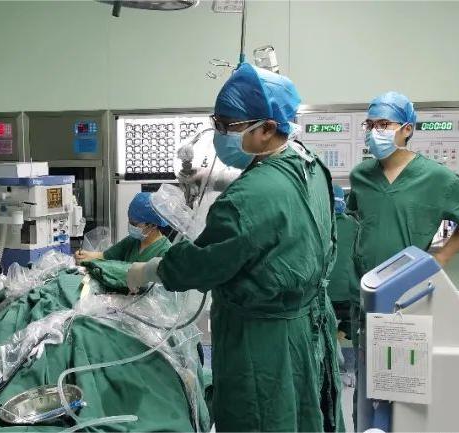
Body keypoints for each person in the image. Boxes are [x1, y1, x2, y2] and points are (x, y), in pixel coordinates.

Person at [124, 63, 342, 432]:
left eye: (228, 126)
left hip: (261, 341)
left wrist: (149, 270)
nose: (220, 134)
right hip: (306, 328)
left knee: (261, 419)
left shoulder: (247, 198)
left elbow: (203, 263)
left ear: (267, 128)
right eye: (217, 123)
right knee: (302, 415)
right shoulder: (311, 166)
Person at [348, 91, 459, 274]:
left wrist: (443, 256)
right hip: (363, 279)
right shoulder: (360, 175)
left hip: (408, 279)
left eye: (383, 124)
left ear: (407, 129)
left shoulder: (434, 176)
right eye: (370, 125)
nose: (374, 132)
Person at [75, 192, 171, 263]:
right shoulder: (132, 241)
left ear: (153, 225)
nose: (130, 225)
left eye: (134, 223)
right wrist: (86, 255)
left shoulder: (165, 251)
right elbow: (105, 256)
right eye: (130, 221)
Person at [327, 185, 360, 341]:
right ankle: (342, 333)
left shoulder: (318, 226)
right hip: (348, 297)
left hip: (325, 296)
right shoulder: (355, 225)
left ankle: (327, 340)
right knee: (356, 314)